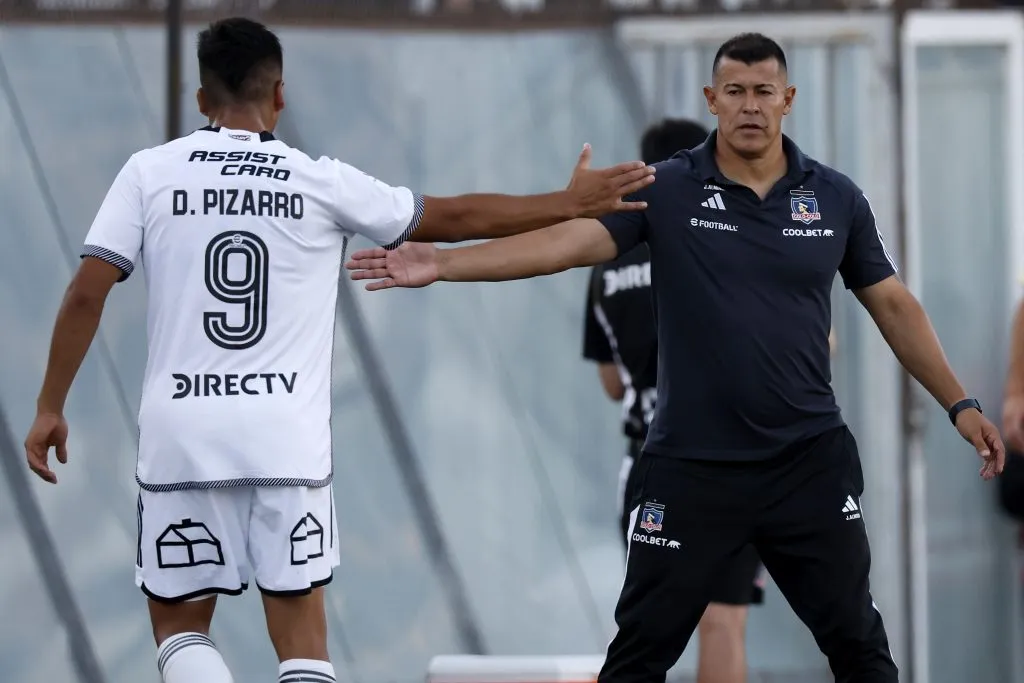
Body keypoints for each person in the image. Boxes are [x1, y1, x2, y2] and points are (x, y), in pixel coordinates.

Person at [346, 32, 1005, 683]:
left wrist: (960, 402)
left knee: (861, 649)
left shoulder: (835, 197)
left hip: (805, 462)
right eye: (736, 91)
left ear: (788, 99)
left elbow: (893, 305)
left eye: (764, 92)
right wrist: (445, 264)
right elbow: (564, 244)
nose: (750, 105)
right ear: (712, 99)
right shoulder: (665, 187)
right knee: (638, 657)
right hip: (692, 470)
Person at [21, 17, 655, 683]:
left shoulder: (148, 175)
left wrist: (49, 406)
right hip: (285, 437)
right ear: (281, 95)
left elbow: (86, 294)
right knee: (302, 640)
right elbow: (459, 217)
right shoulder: (319, 181)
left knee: (180, 627)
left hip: (184, 430)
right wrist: (566, 201)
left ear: (201, 98)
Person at [582, 117, 766, 683]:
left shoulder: (608, 260)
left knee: (645, 629)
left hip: (650, 461)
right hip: (730, 452)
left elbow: (611, 381)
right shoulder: (728, 239)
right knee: (722, 621)